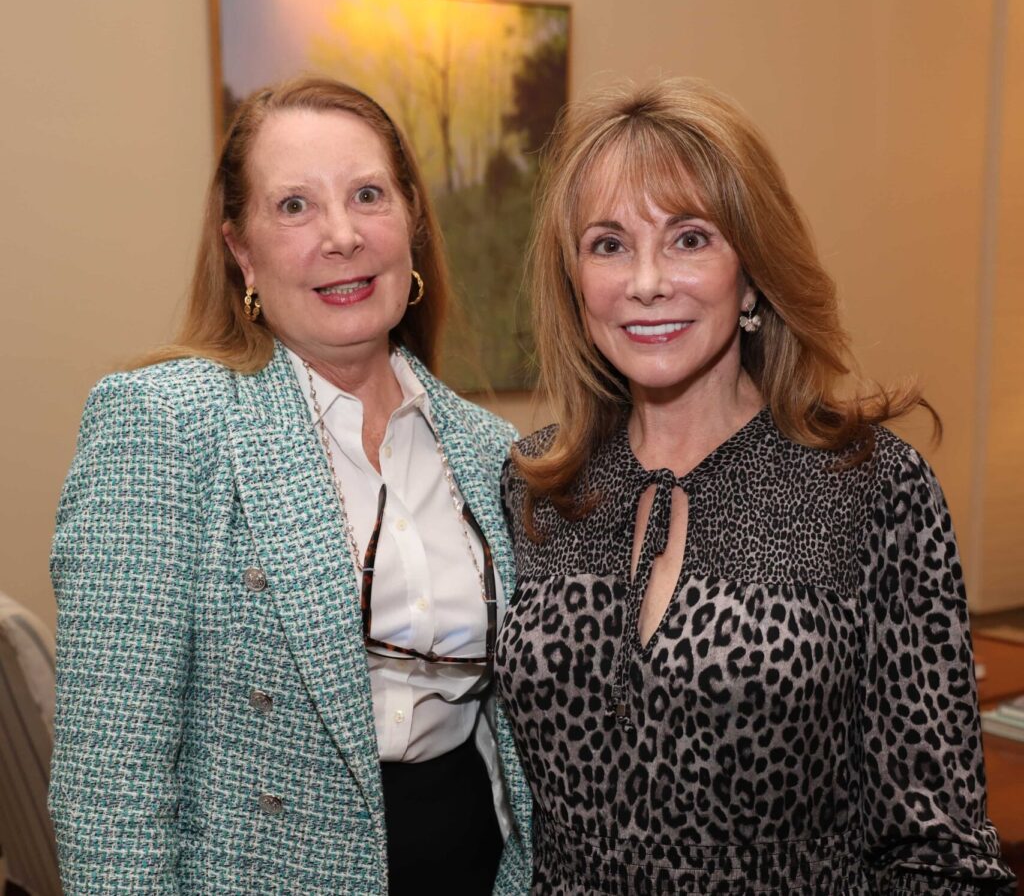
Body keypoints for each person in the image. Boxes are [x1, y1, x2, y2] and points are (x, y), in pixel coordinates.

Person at [494, 78, 1015, 895]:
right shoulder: (537, 486)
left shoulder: (870, 486)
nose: (647, 281)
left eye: (690, 238)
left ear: (751, 275)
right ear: (575, 284)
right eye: (608, 244)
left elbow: (938, 851)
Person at [49, 77, 532, 895]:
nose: (342, 237)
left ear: (411, 221)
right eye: (295, 207)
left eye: (368, 195)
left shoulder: (493, 450)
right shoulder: (162, 425)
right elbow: (110, 785)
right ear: (242, 248)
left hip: (484, 869)